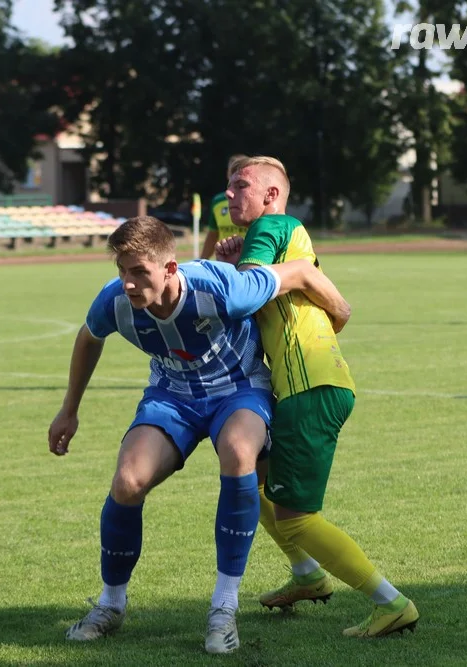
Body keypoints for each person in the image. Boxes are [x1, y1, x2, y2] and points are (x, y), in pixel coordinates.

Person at [48, 215, 350, 654]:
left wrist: (341, 313)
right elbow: (89, 337)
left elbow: (300, 273)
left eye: (139, 272)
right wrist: (68, 410)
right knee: (128, 481)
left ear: (170, 269)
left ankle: (223, 609)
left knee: (238, 451)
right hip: (173, 396)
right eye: (122, 272)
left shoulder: (221, 287)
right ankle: (111, 604)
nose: (128, 284)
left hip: (240, 389)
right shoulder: (114, 301)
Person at [217, 155, 419, 638]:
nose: (228, 194)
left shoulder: (271, 226)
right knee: (254, 480)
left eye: (240, 185)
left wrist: (226, 267)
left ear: (270, 195)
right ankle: (307, 575)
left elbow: (244, 295)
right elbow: (338, 311)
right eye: (227, 186)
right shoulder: (290, 234)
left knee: (295, 519)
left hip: (308, 389)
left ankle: (390, 602)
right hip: (312, 384)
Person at [199, 154, 251, 259]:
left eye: (239, 169)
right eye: (232, 169)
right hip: (225, 263)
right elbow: (212, 234)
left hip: (249, 262)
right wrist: (201, 261)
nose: (235, 173)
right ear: (227, 173)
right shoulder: (217, 201)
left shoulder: (254, 202)